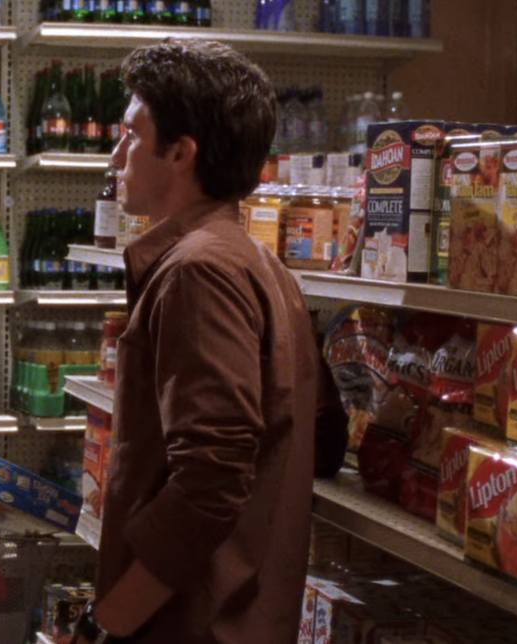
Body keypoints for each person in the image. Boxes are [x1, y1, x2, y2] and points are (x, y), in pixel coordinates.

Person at [71, 39, 335, 644]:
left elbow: (209, 482)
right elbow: (322, 433)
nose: (116, 156)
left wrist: (107, 622)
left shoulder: (199, 271)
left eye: (132, 136)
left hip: (190, 624)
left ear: (180, 153)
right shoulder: (258, 263)